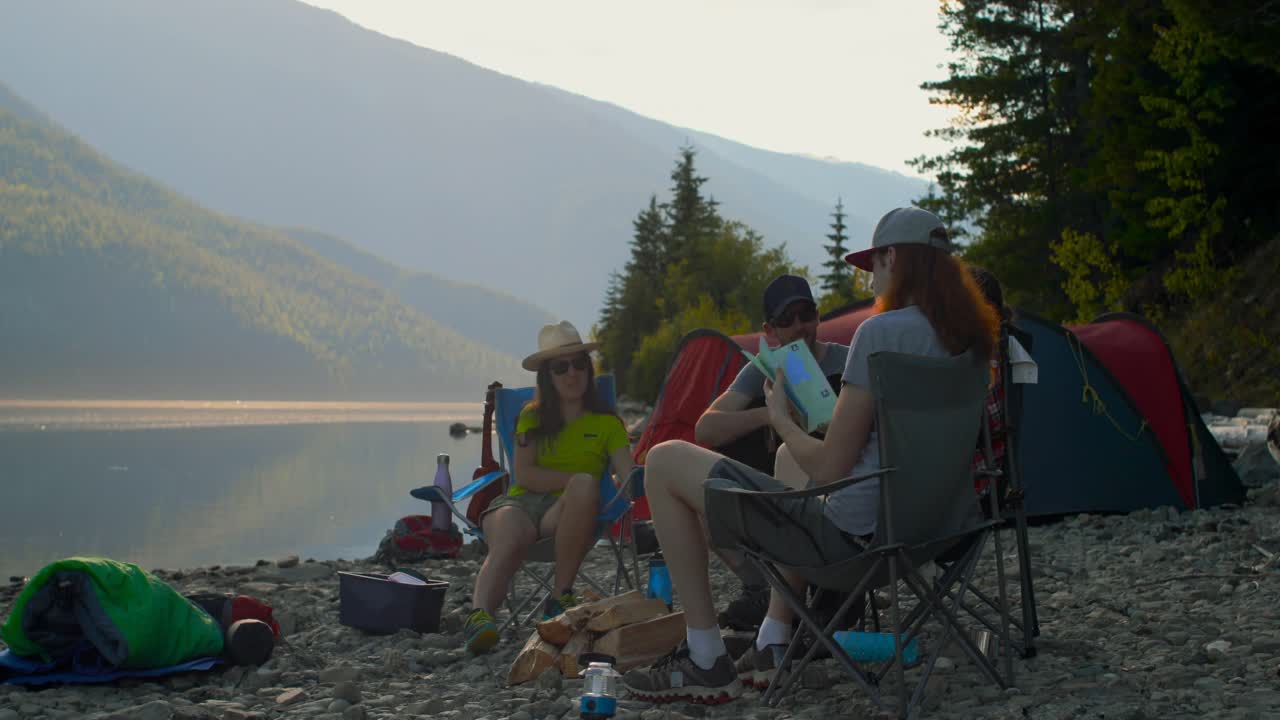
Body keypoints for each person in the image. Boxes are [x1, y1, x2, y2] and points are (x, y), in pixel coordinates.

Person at [621, 207, 1000, 703]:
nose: (871, 277)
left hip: (854, 546)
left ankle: (705, 659)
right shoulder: (972, 340)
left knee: (667, 459)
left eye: (874, 264)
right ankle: (773, 639)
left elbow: (828, 469)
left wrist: (778, 417)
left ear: (892, 258)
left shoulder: (879, 335)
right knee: (787, 464)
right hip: (931, 533)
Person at [463, 321, 635, 654]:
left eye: (580, 363)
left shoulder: (608, 424)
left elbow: (626, 475)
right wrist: (572, 479)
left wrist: (640, 481)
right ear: (547, 375)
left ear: (589, 369)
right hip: (520, 506)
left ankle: (559, 599)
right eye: (561, 366)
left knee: (585, 485)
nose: (572, 373)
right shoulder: (532, 416)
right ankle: (479, 617)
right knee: (510, 537)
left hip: (567, 515)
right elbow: (524, 476)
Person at [693, 274, 850, 631]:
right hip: (782, 502)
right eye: (786, 320)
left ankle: (802, 599)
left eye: (806, 314)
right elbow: (706, 427)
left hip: (835, 499)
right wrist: (772, 414)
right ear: (770, 329)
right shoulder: (763, 370)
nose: (799, 327)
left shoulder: (847, 362)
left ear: (818, 316)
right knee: (704, 489)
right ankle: (761, 587)